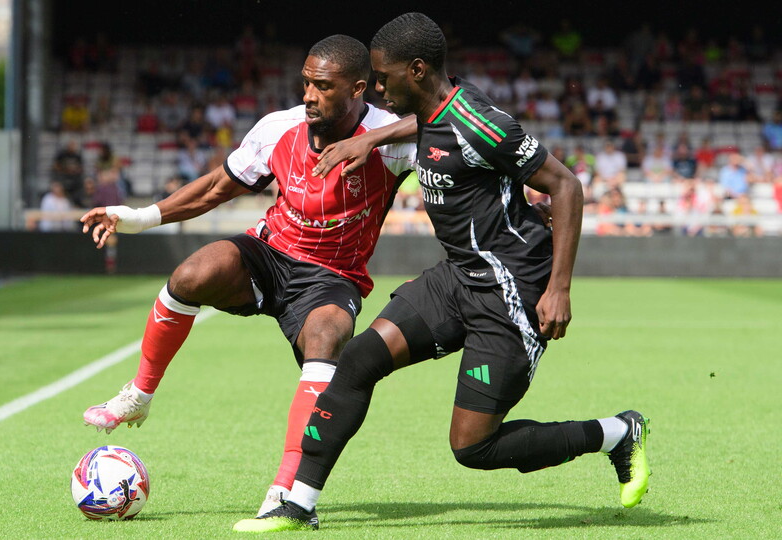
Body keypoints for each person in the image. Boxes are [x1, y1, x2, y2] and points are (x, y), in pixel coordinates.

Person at [235, 13, 649, 533]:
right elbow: (429, 122)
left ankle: (615, 433)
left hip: (510, 292)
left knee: (472, 446)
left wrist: (559, 288)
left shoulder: (480, 122)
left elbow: (565, 187)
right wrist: (370, 139)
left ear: (418, 69)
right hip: (456, 279)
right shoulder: (433, 107)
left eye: (383, 78)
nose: (378, 88)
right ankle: (297, 503)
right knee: (359, 361)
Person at [77, 35, 417, 519]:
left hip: (332, 277)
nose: (308, 95)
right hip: (269, 253)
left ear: (359, 88)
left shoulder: (390, 138)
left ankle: (286, 491)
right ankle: (140, 394)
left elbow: (453, 118)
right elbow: (218, 187)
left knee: (326, 336)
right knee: (193, 273)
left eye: (323, 86)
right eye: (305, 83)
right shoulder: (279, 129)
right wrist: (139, 216)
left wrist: (371, 139)